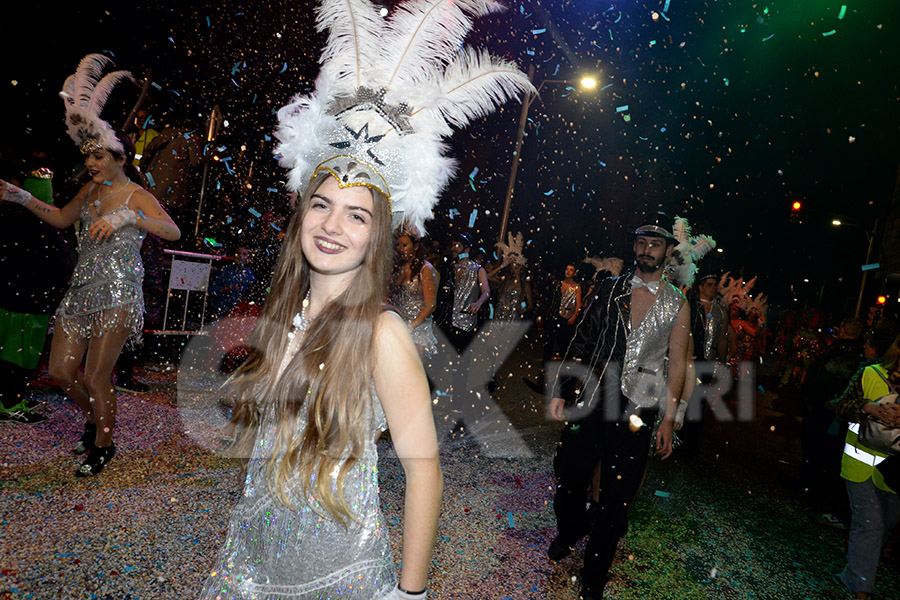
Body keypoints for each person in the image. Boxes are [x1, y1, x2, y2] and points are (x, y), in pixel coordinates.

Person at [198, 1, 530, 597]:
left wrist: (409, 591)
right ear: (302, 213)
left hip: (342, 579)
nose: (332, 226)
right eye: (322, 205)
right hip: (247, 567)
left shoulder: (384, 335)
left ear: (378, 235)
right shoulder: (282, 317)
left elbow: (424, 473)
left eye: (357, 215)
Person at [0, 54, 181, 476]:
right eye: (87, 158)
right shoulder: (90, 189)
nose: (91, 164)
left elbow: (172, 232)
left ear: (118, 156)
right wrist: (21, 197)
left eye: (98, 158)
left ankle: (103, 441)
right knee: (62, 372)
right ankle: (95, 416)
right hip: (81, 291)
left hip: (118, 294)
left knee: (98, 378)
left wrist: (130, 217)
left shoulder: (135, 194)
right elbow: (62, 217)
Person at [547, 215, 690, 600]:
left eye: (655, 244)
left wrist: (669, 418)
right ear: (634, 247)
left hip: (639, 411)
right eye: (642, 243)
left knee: (616, 499)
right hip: (593, 399)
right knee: (569, 479)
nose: (647, 250)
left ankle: (594, 576)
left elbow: (677, 365)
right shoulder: (610, 289)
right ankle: (572, 528)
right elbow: (583, 338)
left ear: (668, 251)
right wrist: (562, 386)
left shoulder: (678, 303)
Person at [829, 331, 900, 600]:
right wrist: (870, 408)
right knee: (870, 525)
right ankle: (861, 590)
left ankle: (855, 571)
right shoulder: (870, 373)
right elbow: (840, 404)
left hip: (894, 473)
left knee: (883, 524)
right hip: (860, 462)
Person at [0, 167, 73, 423]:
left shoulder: (9, 220)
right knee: (22, 357)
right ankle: (11, 402)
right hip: (33, 306)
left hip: (8, 301)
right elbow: (62, 268)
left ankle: (8, 397)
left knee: (6, 354)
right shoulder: (52, 229)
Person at [436, 230, 490, 354]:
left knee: (461, 362)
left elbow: (486, 291)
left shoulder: (478, 270)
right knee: (439, 359)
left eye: (457, 246)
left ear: (467, 249)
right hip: (446, 321)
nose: (453, 249)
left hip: (465, 322)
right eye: (452, 245)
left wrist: (478, 303)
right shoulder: (449, 268)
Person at [390, 229, 439, 359]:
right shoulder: (397, 268)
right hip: (398, 327)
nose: (400, 249)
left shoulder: (425, 269)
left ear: (416, 247)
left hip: (417, 331)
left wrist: (410, 327)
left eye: (404, 245)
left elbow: (430, 306)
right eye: (398, 245)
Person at [541, 264, 582, 362]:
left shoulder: (576, 287)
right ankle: (545, 365)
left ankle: (565, 366)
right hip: (554, 316)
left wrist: (574, 317)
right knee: (549, 342)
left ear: (574, 273)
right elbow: (551, 299)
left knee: (563, 343)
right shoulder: (557, 284)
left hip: (566, 318)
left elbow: (578, 304)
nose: (568, 271)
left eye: (571, 270)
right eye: (567, 269)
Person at [209, 245, 257, 319]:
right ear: (233, 256)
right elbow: (211, 288)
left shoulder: (250, 275)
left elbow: (252, 293)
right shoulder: (224, 271)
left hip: (241, 312)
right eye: (238, 253)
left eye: (244, 254)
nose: (240, 256)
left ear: (248, 258)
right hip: (223, 309)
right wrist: (222, 290)